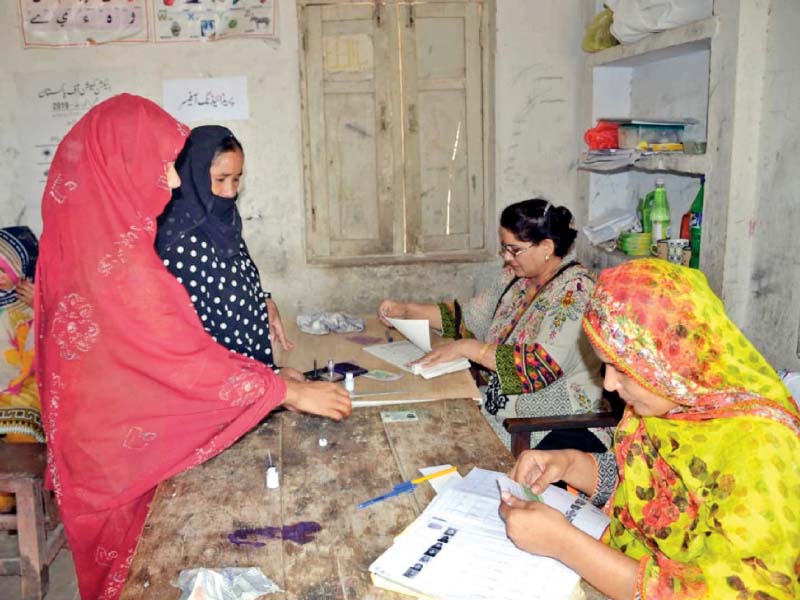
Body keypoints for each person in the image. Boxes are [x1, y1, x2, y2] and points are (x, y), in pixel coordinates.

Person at [35, 94, 351, 600]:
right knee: (145, 574)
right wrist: (282, 391)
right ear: (124, 165)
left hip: (108, 441)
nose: (178, 180)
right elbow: (183, 358)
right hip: (121, 455)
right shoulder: (129, 269)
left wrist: (271, 380)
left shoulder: (93, 245)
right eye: (165, 166)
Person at [499, 258, 800, 600]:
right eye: (605, 365)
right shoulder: (669, 401)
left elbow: (748, 591)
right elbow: (650, 493)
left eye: (622, 369)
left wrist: (565, 545)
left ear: (672, 362)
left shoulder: (760, 450)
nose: (610, 384)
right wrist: (569, 463)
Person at [379, 199, 608, 452]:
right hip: (499, 410)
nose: (507, 258)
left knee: (437, 446)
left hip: (545, 427)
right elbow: (469, 316)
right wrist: (407, 311)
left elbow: (539, 366)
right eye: (504, 249)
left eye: (514, 250)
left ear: (546, 247)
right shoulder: (518, 278)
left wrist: (468, 348)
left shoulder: (576, 291)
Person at [155, 125, 300, 378]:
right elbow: (200, 340)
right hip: (224, 385)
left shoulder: (222, 221)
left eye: (237, 179)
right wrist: (269, 380)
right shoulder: (179, 241)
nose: (230, 191)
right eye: (221, 179)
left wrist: (261, 301)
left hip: (252, 375)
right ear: (195, 175)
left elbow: (232, 279)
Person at [0, 226, 41, 512]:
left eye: (3, 269)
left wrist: (40, 304)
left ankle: (7, 500)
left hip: (29, 386)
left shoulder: (34, 301)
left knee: (20, 410)